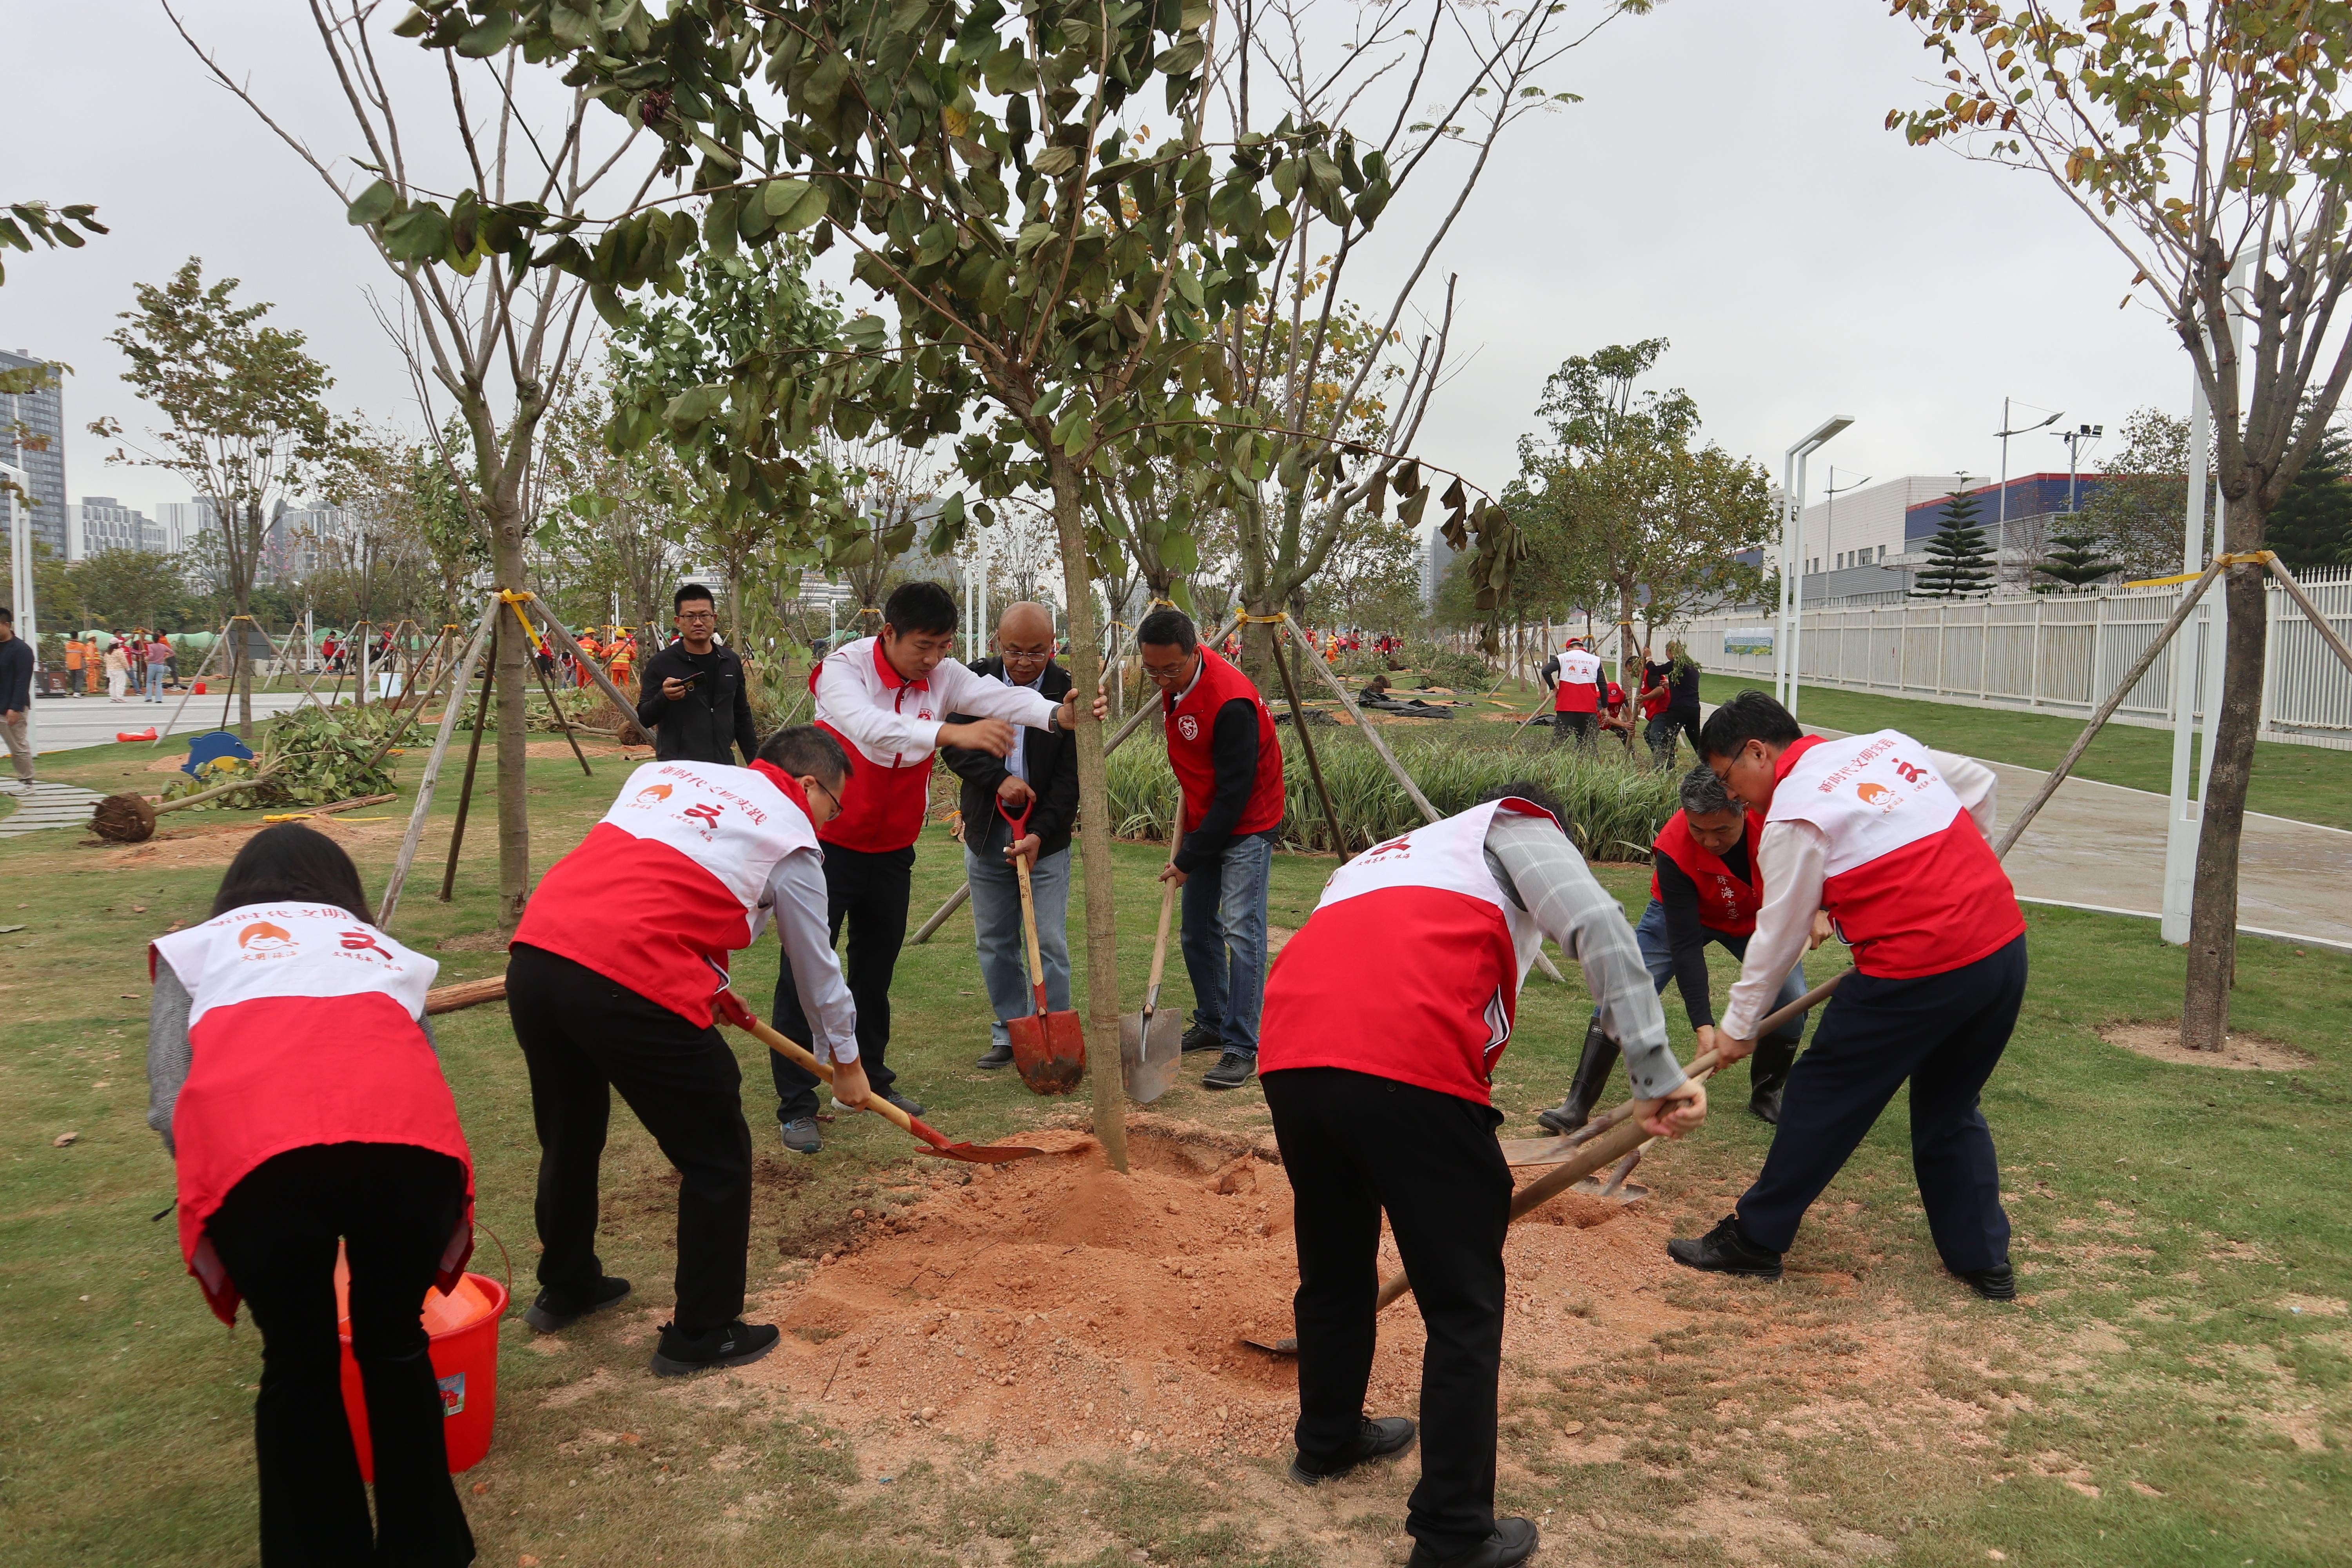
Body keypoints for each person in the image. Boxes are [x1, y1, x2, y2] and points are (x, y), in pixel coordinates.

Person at [1258, 786, 1707, 1568]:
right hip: (1404, 1057)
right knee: (1464, 1305)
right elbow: (1598, 923)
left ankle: (1327, 1439)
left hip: (1293, 1051)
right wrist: (1656, 1072)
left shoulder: (1382, 860)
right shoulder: (1517, 825)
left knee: (1333, 1266)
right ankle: (1454, 1531)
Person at [146, 824, 477, 1565]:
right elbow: (415, 1067)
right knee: (395, 1345)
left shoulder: (195, 948)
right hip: (408, 1153)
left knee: (297, 1363)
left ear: (234, 888)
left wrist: (227, 1178)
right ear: (340, 891)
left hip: (259, 1166)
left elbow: (170, 1105)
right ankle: (427, 1549)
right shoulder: (372, 943)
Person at [507, 726, 871, 1374]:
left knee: (570, 1133)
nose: (828, 824)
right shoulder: (790, 836)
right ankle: (703, 1334)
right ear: (809, 785)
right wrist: (846, 1063)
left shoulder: (663, 776)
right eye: (834, 807)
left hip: (539, 954)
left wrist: (713, 985)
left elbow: (659, 885)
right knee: (717, 1155)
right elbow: (816, 969)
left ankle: (567, 1286)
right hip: (626, 976)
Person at [1668, 690, 2026, 1299]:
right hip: (2000, 947)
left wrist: (1737, 1027)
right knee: (1950, 1106)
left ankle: (1756, 1241)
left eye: (1731, 779)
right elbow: (1980, 782)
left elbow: (1778, 933)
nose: (1734, 798)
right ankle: (1983, 1261)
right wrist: (1967, 870)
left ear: (1758, 752)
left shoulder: (1793, 814)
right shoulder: (1885, 746)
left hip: (1915, 967)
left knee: (1819, 1094)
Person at [769, 581, 1098, 1152]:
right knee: (804, 968)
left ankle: (871, 1077)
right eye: (924, 646)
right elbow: (872, 731)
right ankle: (797, 1101)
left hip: (893, 849)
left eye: (944, 646)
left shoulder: (943, 674)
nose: (934, 660)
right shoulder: (842, 671)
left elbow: (994, 697)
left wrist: (1054, 716)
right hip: (826, 845)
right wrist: (951, 731)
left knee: (875, 970)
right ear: (889, 634)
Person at [1538, 764, 1824, 1135]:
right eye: (1698, 830)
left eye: (1721, 830)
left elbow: (1827, 857)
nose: (1709, 842)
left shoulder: (1776, 824)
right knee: (1622, 990)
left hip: (1758, 917)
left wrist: (1822, 906)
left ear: (1744, 810)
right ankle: (1577, 1105)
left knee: (1791, 999)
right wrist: (1703, 1027)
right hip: (1680, 917)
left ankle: (1767, 1093)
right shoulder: (1673, 846)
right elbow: (1686, 944)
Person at [1136, 607, 1285, 1092]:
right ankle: (1214, 1019)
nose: (1160, 678)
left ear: (1195, 652)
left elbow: (1234, 795)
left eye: (1169, 669)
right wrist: (1194, 847)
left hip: (1247, 820)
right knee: (1195, 929)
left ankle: (1241, 1045)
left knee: (1242, 929)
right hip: (1206, 817)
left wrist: (1187, 859)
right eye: (1151, 669)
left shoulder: (1231, 703)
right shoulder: (1175, 683)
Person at [940, 602, 1080, 1070]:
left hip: (1047, 840)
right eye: (1014, 651)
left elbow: (1070, 778)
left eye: (1036, 652)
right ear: (999, 644)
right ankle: (1010, 1030)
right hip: (987, 830)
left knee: (1050, 942)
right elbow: (954, 746)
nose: (1024, 661)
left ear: (1052, 646)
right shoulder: (973, 681)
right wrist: (998, 780)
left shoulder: (1067, 694)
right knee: (996, 938)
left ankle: (1053, 1030)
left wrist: (1040, 832)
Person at [634, 584, 759, 766]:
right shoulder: (662, 663)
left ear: (714, 618)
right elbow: (644, 718)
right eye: (690, 617)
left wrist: (756, 763)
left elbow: (741, 716)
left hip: (723, 764)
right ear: (678, 621)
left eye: (704, 616)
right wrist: (664, 697)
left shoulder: (730, 661)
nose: (698, 622)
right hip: (678, 768)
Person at [1642, 640, 1703, 769]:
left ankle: (1666, 768)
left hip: (1679, 709)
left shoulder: (1676, 664)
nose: (1667, 656)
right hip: (1694, 708)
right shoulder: (1692, 666)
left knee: (1666, 737)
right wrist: (1671, 686)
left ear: (1671, 652)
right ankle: (1710, 765)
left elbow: (1654, 670)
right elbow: (1687, 686)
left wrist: (1649, 657)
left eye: (1667, 653)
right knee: (1696, 740)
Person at [1543, 638, 1604, 748]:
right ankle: (1585, 765)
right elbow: (1603, 686)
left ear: (1568, 648)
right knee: (1588, 746)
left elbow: (1546, 671)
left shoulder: (1563, 658)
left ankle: (1549, 764)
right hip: (1588, 710)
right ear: (1582, 647)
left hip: (1566, 709)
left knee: (1557, 744)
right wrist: (1605, 707)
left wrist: (1554, 689)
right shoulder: (1595, 660)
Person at [0, 607, 34, 790]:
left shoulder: (22, 650)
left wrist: (15, 708)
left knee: (18, 747)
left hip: (11, 708)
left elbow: (23, 681)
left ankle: (27, 781)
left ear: (6, 625)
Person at [146, 632, 173, 701]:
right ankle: (159, 699)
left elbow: (151, 655)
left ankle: (149, 697)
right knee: (159, 683)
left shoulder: (151, 646)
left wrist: (147, 658)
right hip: (160, 665)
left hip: (152, 665)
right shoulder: (163, 646)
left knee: (149, 682)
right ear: (159, 639)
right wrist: (165, 658)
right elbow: (172, 652)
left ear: (153, 639)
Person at [105, 637, 132, 702]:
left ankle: (113, 697)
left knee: (112, 684)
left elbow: (106, 661)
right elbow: (124, 661)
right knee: (120, 684)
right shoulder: (119, 652)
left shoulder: (108, 653)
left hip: (110, 670)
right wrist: (127, 668)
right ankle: (119, 697)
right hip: (119, 670)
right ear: (117, 644)